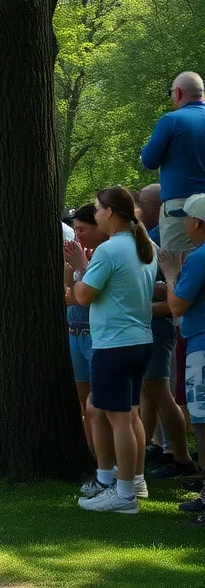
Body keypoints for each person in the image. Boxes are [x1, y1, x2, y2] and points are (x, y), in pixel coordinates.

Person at [66, 186, 158, 513]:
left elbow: (83, 295)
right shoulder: (143, 246)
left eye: (98, 209)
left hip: (115, 342)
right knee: (127, 413)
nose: (96, 214)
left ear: (111, 213)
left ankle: (124, 494)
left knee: (118, 417)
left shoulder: (109, 250)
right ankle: (133, 480)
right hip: (139, 340)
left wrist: (80, 268)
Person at [136, 183, 194, 477]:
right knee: (151, 391)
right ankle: (152, 447)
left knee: (164, 393)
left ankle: (179, 455)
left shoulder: (159, 244)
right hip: (156, 327)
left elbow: (178, 301)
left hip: (163, 329)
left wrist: (165, 285)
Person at [158, 192, 205, 524]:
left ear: (198, 223)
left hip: (201, 345)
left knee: (202, 421)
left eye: (186, 218)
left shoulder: (199, 257)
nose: (183, 223)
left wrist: (172, 273)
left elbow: (177, 306)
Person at [142, 71, 205, 255]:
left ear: (177, 93)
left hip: (182, 210)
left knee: (177, 267)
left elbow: (149, 161)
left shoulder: (171, 121)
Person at [67, 204, 106, 453]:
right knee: (83, 400)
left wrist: (81, 265)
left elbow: (86, 296)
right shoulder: (81, 253)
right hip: (75, 330)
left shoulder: (104, 255)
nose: (77, 236)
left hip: (95, 333)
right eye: (74, 230)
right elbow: (68, 294)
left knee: (100, 401)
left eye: (82, 229)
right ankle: (90, 452)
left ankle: (106, 458)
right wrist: (72, 263)